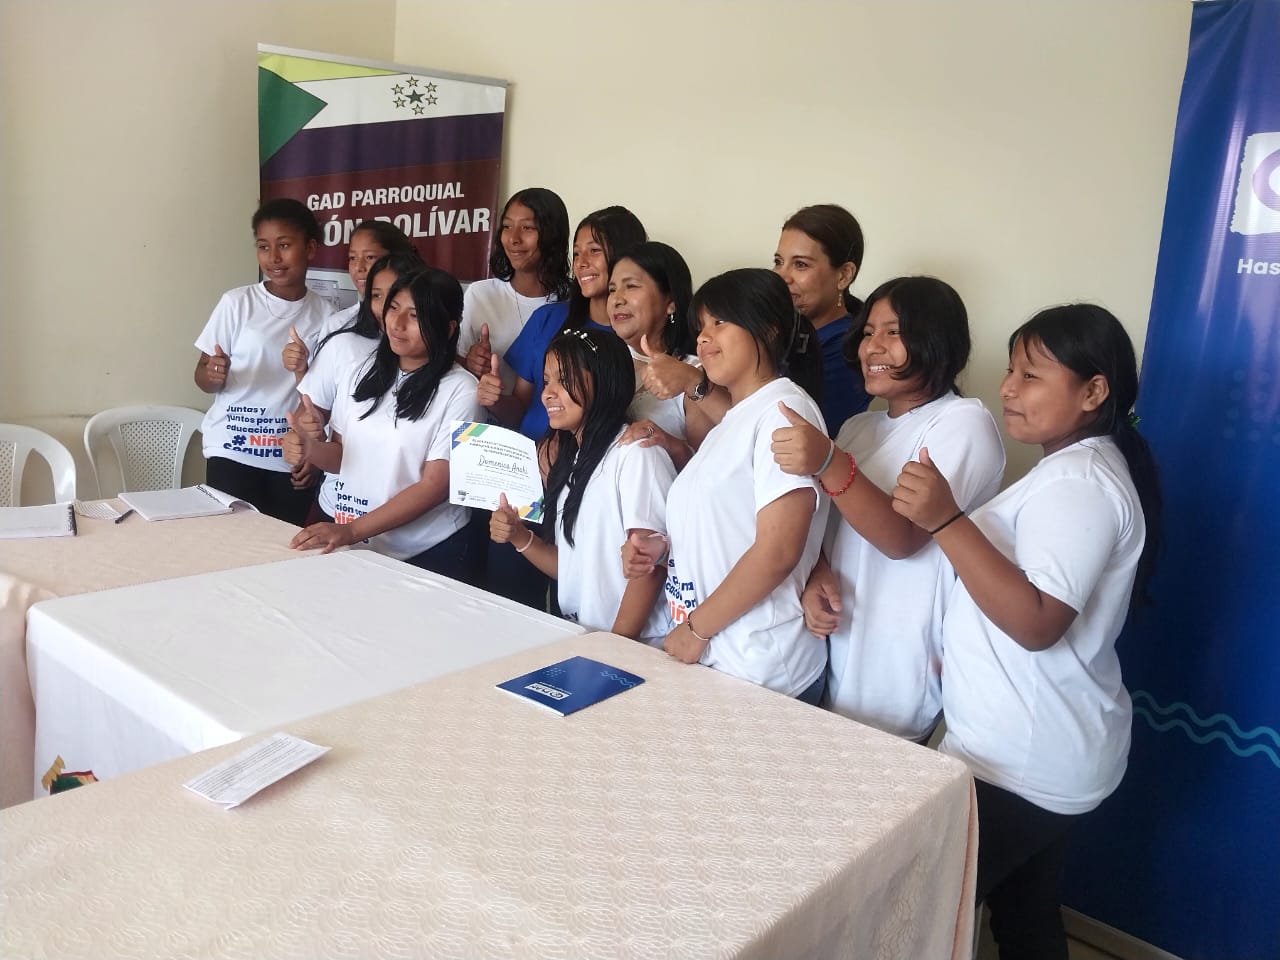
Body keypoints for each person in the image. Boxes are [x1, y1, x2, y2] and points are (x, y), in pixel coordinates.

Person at [891, 304, 1162, 960]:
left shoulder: (1081, 483)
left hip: (1022, 765)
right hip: (1035, 750)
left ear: (1094, 391)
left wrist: (945, 520)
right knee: (1025, 916)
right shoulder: (1073, 468)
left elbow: (1039, 621)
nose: (1008, 388)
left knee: (915, 920)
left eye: (1031, 375)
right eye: (1011, 371)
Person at [774, 276, 1005, 741]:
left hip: (901, 671)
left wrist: (828, 461)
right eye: (868, 332)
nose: (872, 347)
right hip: (833, 648)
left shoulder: (963, 423)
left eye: (893, 332)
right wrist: (818, 572)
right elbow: (824, 525)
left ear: (937, 341)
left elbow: (903, 538)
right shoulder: (859, 427)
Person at [639, 268, 829, 702]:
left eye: (720, 322)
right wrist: (663, 548)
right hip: (722, 660)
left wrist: (696, 629)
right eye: (700, 327)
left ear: (768, 328)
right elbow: (726, 528)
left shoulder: (784, 412)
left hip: (763, 670)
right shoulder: (736, 418)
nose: (704, 338)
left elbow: (779, 550)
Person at [286, 268, 482, 580]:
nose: (397, 323)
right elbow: (342, 456)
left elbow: (434, 486)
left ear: (448, 328)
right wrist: (309, 449)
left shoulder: (463, 390)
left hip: (424, 551)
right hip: (352, 534)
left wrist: (351, 531)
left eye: (415, 315)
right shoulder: (361, 371)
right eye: (394, 308)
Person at [490, 328, 674, 641]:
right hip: (590, 639)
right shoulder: (576, 459)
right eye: (546, 380)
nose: (547, 393)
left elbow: (649, 569)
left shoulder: (637, 453)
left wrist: (613, 648)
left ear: (603, 380)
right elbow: (576, 570)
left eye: (564, 379)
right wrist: (519, 536)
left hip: (635, 647)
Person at [193, 197, 332, 525]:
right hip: (232, 450)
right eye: (263, 246)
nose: (273, 258)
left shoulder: (327, 314)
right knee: (228, 544)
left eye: (284, 245)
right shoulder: (237, 303)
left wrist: (314, 452)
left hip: (289, 456)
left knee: (282, 547)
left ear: (311, 248)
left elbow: (326, 397)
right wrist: (213, 374)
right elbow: (202, 376)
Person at [481, 206, 647, 440]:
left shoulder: (637, 337)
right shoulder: (547, 318)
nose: (581, 263)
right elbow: (521, 411)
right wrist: (496, 400)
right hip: (527, 456)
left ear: (625, 259)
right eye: (577, 253)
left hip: (587, 461)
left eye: (594, 251)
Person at [290, 251, 425, 523]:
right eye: (376, 296)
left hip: (405, 522)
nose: (386, 308)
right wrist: (310, 429)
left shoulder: (438, 366)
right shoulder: (344, 346)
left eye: (395, 298)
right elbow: (312, 414)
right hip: (340, 506)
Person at [457, 188, 572, 396]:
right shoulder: (480, 295)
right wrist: (470, 362)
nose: (513, 238)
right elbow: (454, 368)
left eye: (527, 228)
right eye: (507, 226)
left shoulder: (574, 302)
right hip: (486, 416)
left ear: (553, 235)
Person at [604, 241, 708, 466]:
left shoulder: (695, 373)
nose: (617, 299)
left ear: (670, 302)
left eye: (631, 286)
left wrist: (671, 445)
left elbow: (708, 469)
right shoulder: (599, 363)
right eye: (612, 289)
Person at [773, 203, 872, 432]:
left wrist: (696, 386)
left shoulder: (850, 348)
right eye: (778, 262)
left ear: (844, 275)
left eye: (800, 265)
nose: (782, 277)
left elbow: (791, 429)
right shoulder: (784, 330)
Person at [281, 220, 417, 378]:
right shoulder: (340, 324)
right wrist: (300, 369)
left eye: (370, 257)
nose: (359, 267)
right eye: (352, 258)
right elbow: (314, 392)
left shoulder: (424, 322)